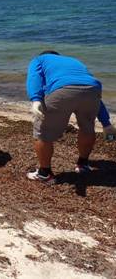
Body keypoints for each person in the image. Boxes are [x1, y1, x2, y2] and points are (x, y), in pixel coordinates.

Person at [26, 50, 104, 184]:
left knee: (42, 132)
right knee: (87, 127)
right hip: (93, 88)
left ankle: (45, 174)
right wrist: (106, 123)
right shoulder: (73, 61)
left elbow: (34, 77)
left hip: (63, 90)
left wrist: (35, 98)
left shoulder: (39, 59)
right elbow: (85, 87)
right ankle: (83, 164)